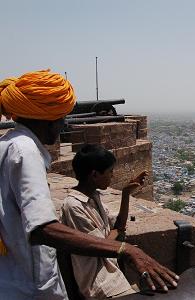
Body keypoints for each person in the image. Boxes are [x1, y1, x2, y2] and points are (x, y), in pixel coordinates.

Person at [0, 70, 178, 300]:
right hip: (30, 288)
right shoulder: (25, 151)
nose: (63, 124)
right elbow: (41, 228)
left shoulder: (7, 145)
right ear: (46, 117)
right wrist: (127, 250)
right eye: (61, 117)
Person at [61, 144, 148, 299]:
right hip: (99, 283)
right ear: (94, 175)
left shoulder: (94, 197)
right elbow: (100, 245)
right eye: (110, 172)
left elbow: (119, 226)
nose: (112, 176)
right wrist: (117, 232)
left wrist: (126, 194)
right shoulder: (74, 206)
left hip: (112, 275)